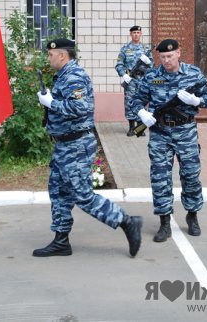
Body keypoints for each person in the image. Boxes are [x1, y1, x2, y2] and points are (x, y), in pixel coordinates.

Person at [33, 38, 142, 258]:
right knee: (59, 192)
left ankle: (127, 221)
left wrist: (50, 103)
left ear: (62, 55)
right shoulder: (64, 75)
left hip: (76, 145)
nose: (49, 58)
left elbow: (81, 108)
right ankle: (61, 241)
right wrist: (51, 99)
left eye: (51, 54)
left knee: (82, 195)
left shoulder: (74, 75)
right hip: (65, 145)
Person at [130, 39, 207, 242]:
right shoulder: (152, 76)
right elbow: (135, 100)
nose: (166, 60)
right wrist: (142, 114)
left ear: (178, 53)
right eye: (162, 57)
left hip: (186, 131)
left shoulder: (193, 73)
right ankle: (164, 223)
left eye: (170, 56)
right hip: (160, 133)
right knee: (160, 178)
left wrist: (196, 101)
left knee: (191, 176)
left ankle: (192, 216)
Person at [115, 25, 154, 136]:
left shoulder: (146, 49)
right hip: (131, 80)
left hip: (143, 81)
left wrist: (148, 63)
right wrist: (124, 75)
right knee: (129, 103)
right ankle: (132, 128)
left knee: (143, 102)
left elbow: (153, 66)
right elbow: (119, 64)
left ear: (141, 34)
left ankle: (140, 129)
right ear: (131, 34)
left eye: (138, 32)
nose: (136, 34)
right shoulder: (125, 49)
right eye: (134, 32)